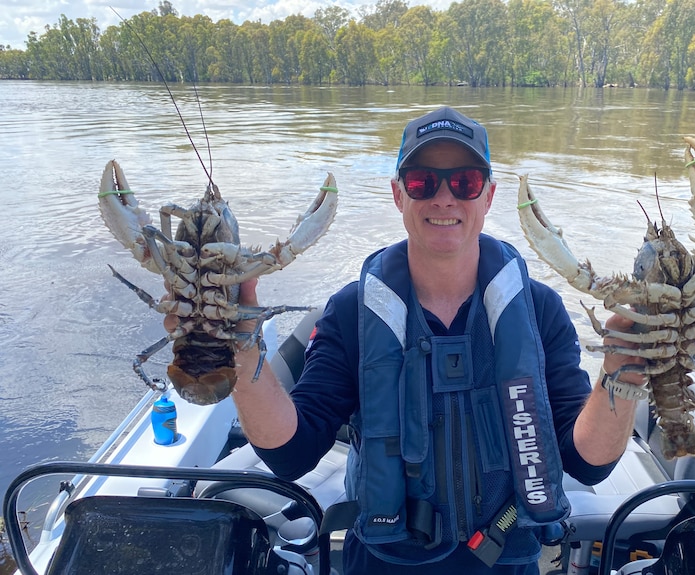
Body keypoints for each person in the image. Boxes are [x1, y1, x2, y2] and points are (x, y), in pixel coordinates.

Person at [225, 107, 647, 574]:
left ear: (488, 196)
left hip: (505, 558)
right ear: (398, 194)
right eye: (423, 182)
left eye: (464, 182)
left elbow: (587, 462)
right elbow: (291, 452)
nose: (444, 199)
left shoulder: (538, 309)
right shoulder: (352, 312)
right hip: (385, 560)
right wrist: (241, 349)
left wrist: (620, 375)